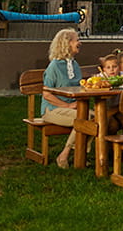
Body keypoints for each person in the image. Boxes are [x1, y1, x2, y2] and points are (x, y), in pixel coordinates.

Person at [40, 28, 83, 169]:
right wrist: (67, 106)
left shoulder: (75, 64)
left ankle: (79, 156)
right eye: (77, 40)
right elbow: (46, 94)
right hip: (53, 110)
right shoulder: (54, 66)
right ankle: (65, 154)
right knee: (83, 120)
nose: (80, 43)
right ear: (67, 43)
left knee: (96, 118)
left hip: (73, 109)